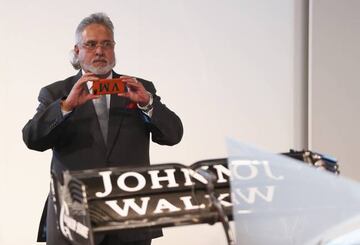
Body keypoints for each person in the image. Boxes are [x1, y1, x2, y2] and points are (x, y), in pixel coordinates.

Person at [22, 12, 183, 245]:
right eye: (91, 44)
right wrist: (65, 107)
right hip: (72, 218)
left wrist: (147, 103)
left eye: (107, 44)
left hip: (130, 216)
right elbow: (32, 139)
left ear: (114, 49)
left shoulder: (138, 88)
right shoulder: (56, 93)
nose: (100, 51)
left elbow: (173, 135)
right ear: (77, 51)